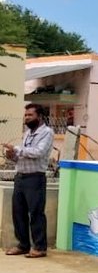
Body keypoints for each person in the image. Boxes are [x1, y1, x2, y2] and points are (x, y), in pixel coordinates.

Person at [4, 104, 55, 258]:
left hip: (35, 178)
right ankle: (23, 245)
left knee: (36, 213)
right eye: (25, 115)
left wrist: (17, 149)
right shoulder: (27, 133)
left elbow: (38, 152)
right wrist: (11, 154)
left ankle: (39, 247)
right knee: (18, 213)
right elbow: (22, 155)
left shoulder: (47, 132)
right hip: (20, 177)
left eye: (30, 115)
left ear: (39, 116)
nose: (26, 118)